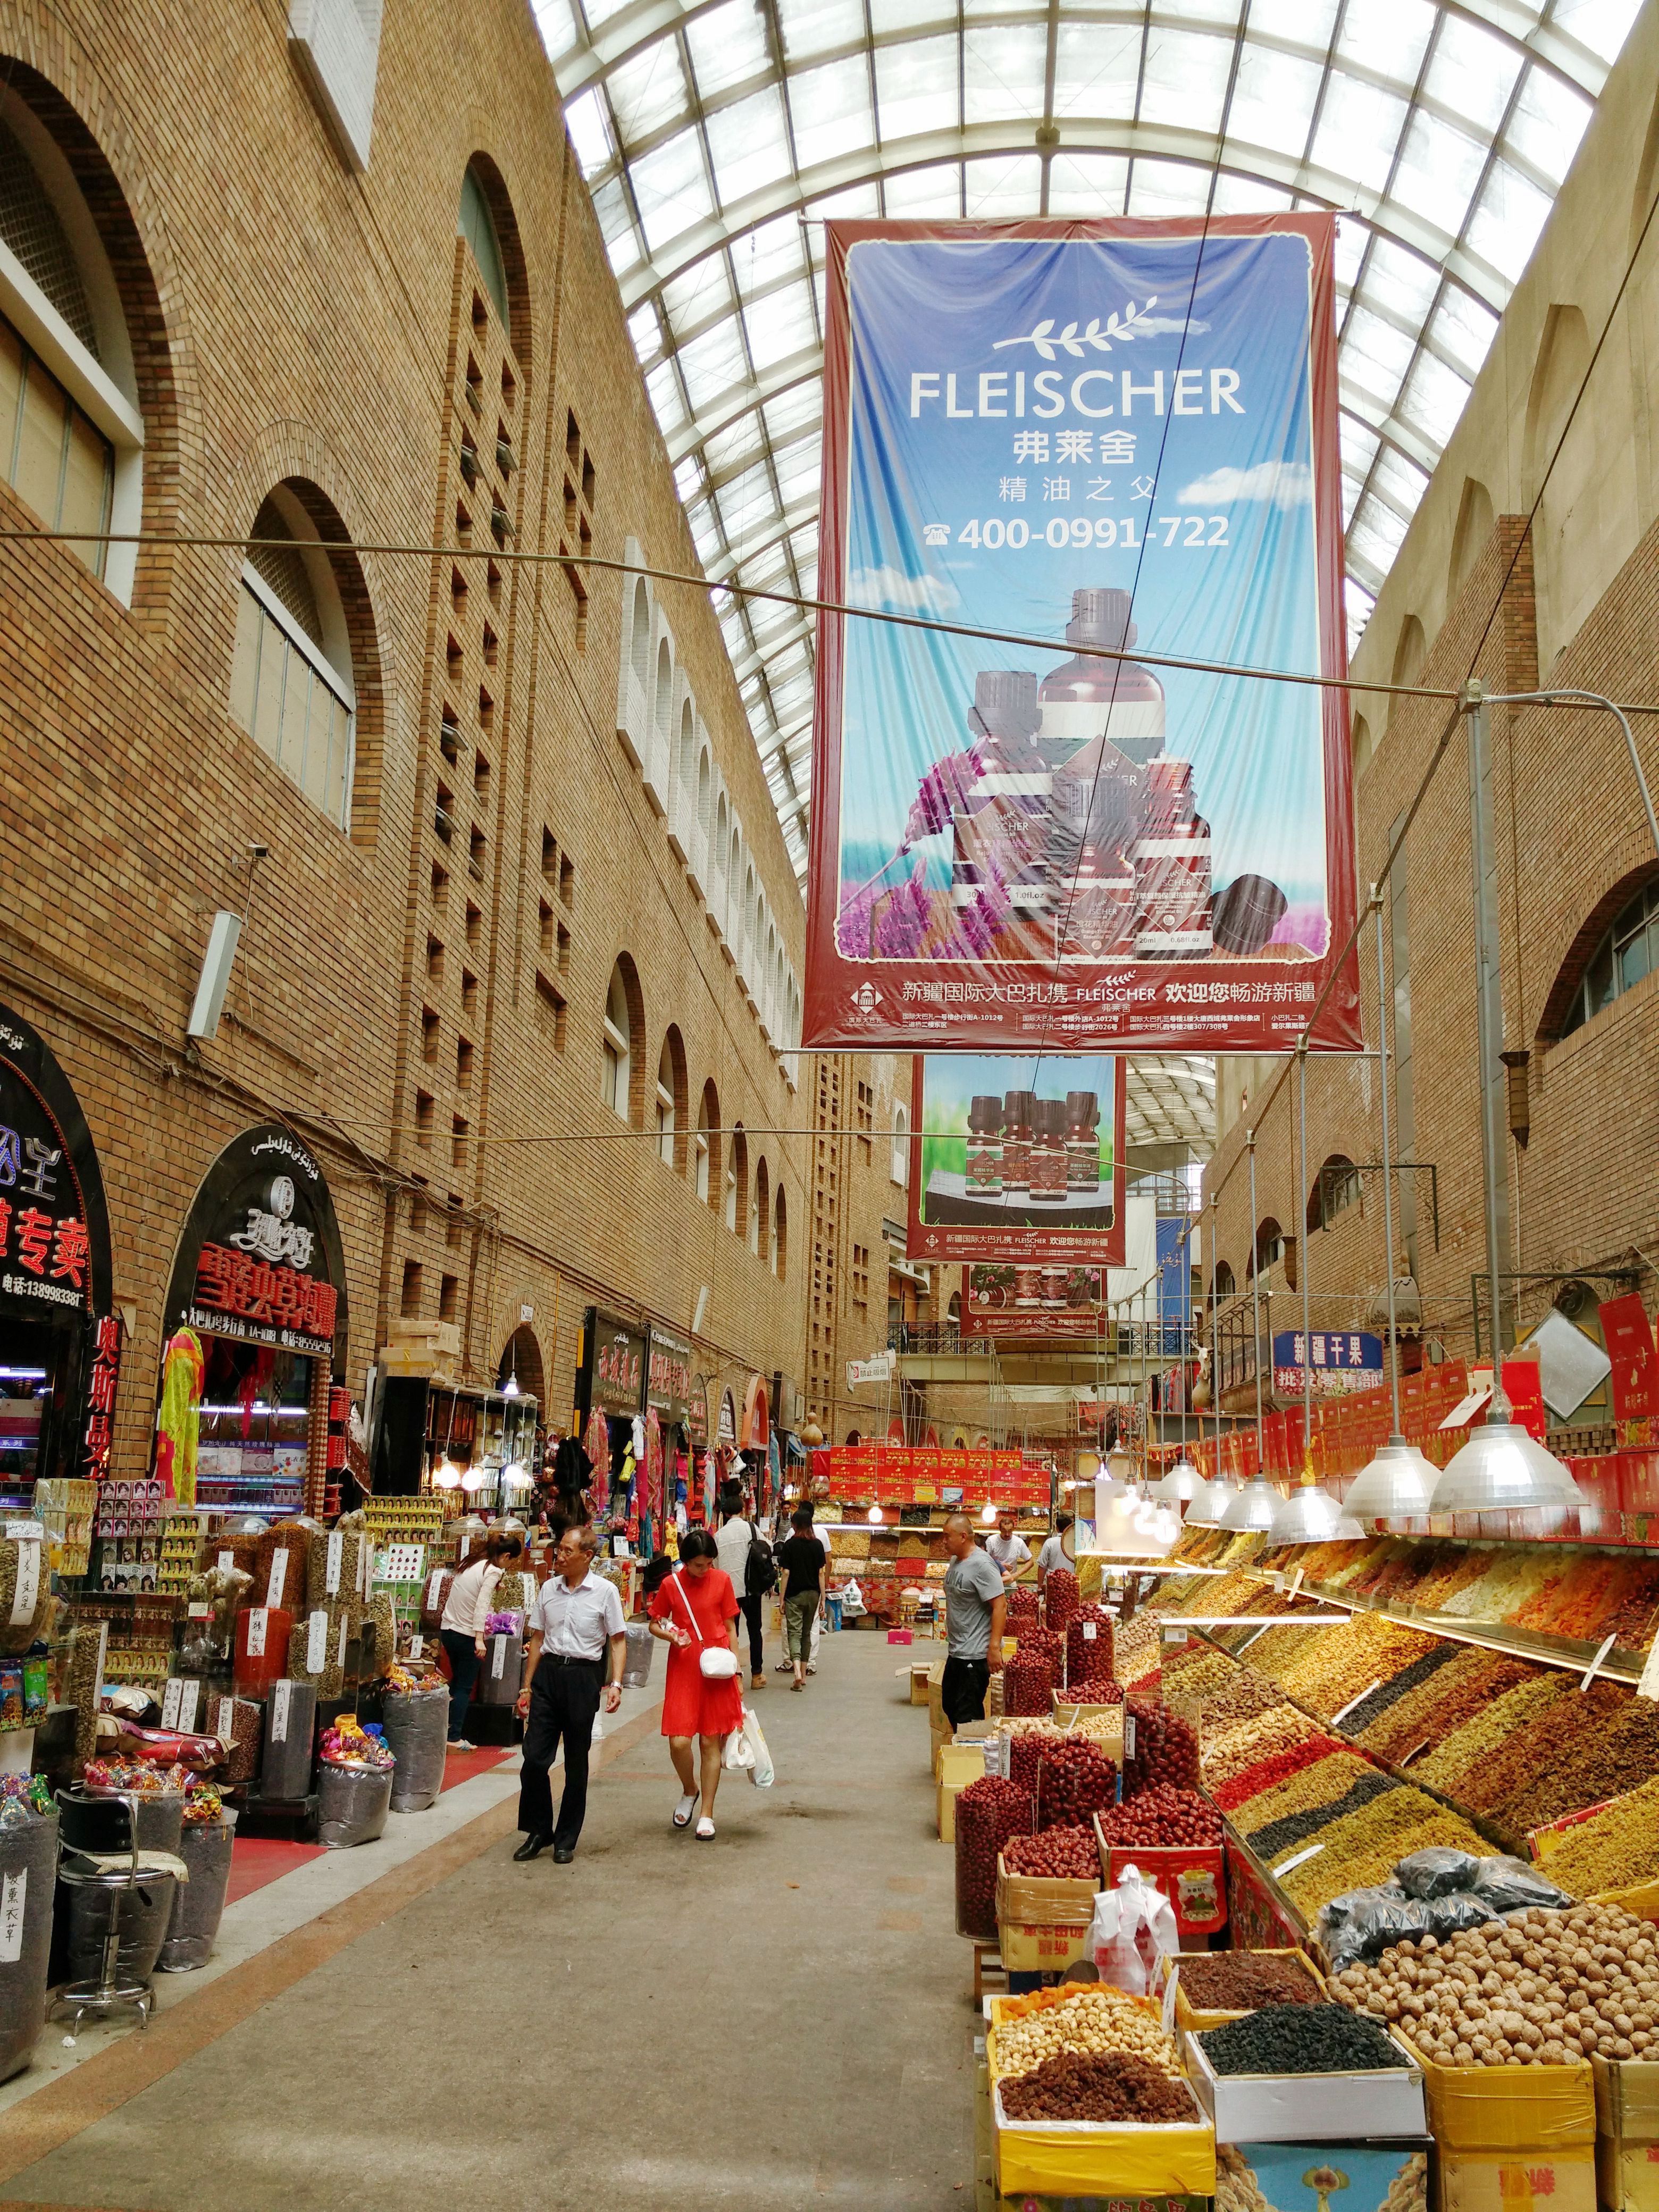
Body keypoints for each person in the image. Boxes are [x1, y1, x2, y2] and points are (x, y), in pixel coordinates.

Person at [512, 1527, 626, 1864]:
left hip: (582, 1678)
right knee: (534, 1760)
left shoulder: (605, 1592)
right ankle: (539, 1830)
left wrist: (616, 1684)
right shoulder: (549, 1589)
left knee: (577, 1763)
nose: (558, 1556)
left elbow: (618, 1640)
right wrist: (527, 1686)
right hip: (548, 1675)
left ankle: (566, 1839)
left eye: (565, 1551)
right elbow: (536, 1638)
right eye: (558, 1550)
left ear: (586, 1556)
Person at [647, 1524, 743, 1839]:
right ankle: (690, 1789)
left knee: (710, 1741)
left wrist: (738, 1671)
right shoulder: (671, 1585)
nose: (705, 1570)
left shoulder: (723, 1581)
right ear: (685, 1562)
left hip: (717, 1668)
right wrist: (672, 1637)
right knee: (679, 1741)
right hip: (685, 1667)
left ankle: (707, 1814)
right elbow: (654, 1623)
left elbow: (731, 1628)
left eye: (709, 1563)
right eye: (699, 1565)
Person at [439, 1529, 524, 1752]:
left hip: (448, 1629)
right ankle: (454, 1737)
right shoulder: (493, 1570)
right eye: (512, 1562)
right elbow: (482, 1606)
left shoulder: (473, 1563)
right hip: (466, 1634)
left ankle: (443, 1730)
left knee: (456, 1684)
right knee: (464, 1688)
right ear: (506, 1557)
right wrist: (479, 1639)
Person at [941, 1512, 1006, 1728]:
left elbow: (1000, 1606)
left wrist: (994, 1647)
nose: (944, 1541)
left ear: (963, 1537)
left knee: (967, 1716)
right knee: (950, 1705)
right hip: (957, 1650)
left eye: (947, 1536)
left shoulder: (983, 1565)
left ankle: (973, 1757)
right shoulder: (956, 1561)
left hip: (975, 1654)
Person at [715, 1484, 769, 1692]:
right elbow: (767, 1549)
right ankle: (757, 1675)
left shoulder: (720, 1535)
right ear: (743, 1510)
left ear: (726, 1513)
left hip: (729, 1592)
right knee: (755, 1631)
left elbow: (717, 1566)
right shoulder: (753, 1529)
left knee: (731, 1632)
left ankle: (731, 1675)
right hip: (752, 1589)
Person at [775, 1505, 826, 1690]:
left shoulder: (790, 1545)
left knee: (794, 1634)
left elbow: (786, 1573)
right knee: (806, 1634)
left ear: (795, 1525)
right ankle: (804, 1675)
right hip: (813, 1595)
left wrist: (781, 1599)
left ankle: (796, 1671)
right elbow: (821, 1573)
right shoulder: (818, 1545)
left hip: (794, 1596)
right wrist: (823, 1599)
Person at [985, 1509, 1032, 1578]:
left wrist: (1017, 1575)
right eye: (1004, 1531)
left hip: (1011, 1580)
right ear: (1000, 1530)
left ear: (1013, 1529)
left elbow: (1031, 1562)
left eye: (1010, 1531)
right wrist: (1000, 1566)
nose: (1007, 1534)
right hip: (993, 1578)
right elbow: (984, 1560)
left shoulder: (1019, 1542)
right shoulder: (991, 1541)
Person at [1035, 1514, 1074, 1582]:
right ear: (1070, 1527)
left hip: (1053, 1583)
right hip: (1071, 1582)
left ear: (1057, 1528)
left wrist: (1040, 1586)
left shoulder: (1050, 1542)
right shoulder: (1075, 1543)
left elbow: (1042, 1566)